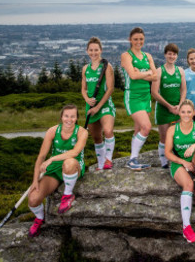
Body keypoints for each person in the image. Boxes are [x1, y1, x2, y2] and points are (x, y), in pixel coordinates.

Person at [27, 104, 87, 237]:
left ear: (77, 118)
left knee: (69, 163)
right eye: (66, 116)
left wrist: (51, 159)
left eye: (73, 116)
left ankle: (67, 195)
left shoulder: (82, 132)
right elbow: (41, 157)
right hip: (55, 169)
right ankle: (39, 218)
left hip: (74, 165)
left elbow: (75, 152)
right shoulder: (52, 131)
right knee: (33, 199)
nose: (69, 119)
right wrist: (35, 180)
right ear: (61, 117)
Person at [165, 99, 195, 243]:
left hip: (193, 161)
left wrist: (194, 146)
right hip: (178, 162)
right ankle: (186, 227)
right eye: (183, 111)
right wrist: (183, 162)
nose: (186, 114)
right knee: (187, 185)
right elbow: (167, 153)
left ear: (194, 113)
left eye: (189, 112)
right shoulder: (173, 129)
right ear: (179, 113)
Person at [121, 27, 158, 171]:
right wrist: (147, 72)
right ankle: (132, 159)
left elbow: (155, 76)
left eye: (141, 39)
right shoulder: (126, 56)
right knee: (146, 127)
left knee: (138, 128)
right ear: (130, 40)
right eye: (135, 39)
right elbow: (133, 76)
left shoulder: (147, 55)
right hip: (133, 96)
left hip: (146, 95)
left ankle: (133, 158)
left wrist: (141, 72)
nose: (138, 42)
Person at [81, 37, 116, 170]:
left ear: (100, 50)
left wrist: (98, 106)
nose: (93, 53)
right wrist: (87, 99)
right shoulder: (85, 69)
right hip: (90, 106)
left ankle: (108, 159)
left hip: (104, 104)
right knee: (96, 137)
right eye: (91, 50)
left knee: (108, 130)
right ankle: (101, 164)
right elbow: (83, 89)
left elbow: (110, 88)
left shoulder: (107, 66)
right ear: (87, 51)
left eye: (96, 50)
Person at [152, 43, 187, 168]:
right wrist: (168, 106)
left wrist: (180, 105)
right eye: (169, 54)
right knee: (164, 137)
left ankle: (177, 159)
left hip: (178, 109)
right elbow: (154, 93)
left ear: (177, 56)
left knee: (177, 136)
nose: (171, 56)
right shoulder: (159, 71)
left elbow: (183, 90)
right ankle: (164, 162)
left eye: (174, 54)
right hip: (163, 109)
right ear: (165, 55)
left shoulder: (180, 71)